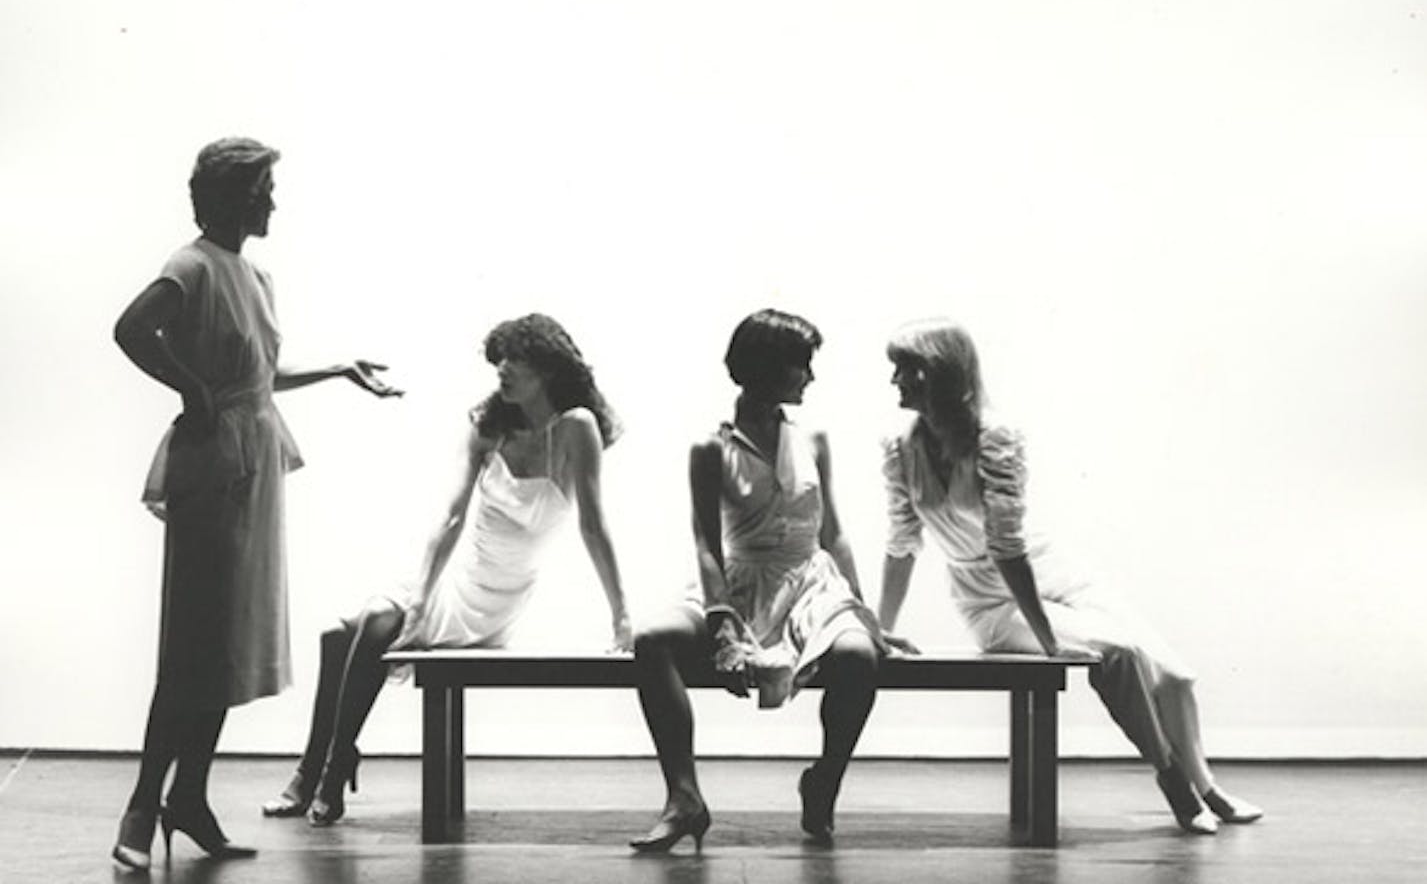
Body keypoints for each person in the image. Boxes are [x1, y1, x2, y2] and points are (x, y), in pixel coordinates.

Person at [111, 138, 401, 870]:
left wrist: (338, 368)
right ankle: (142, 806)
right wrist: (190, 387)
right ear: (235, 196)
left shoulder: (256, 275)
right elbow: (130, 329)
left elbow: (258, 377)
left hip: (254, 463)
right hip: (214, 466)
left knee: (225, 646)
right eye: (265, 189)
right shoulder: (192, 265)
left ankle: (189, 798)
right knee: (191, 644)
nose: (274, 201)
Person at [876, 318, 1264, 835]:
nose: (895, 380)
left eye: (907, 368)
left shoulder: (996, 436)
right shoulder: (900, 449)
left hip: (1047, 571)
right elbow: (902, 545)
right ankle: (1172, 779)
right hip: (988, 599)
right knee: (1119, 652)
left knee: (1175, 675)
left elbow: (1010, 547)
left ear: (941, 373)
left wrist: (1046, 636)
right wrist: (881, 629)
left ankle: (1209, 789)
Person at [262, 312, 634, 827]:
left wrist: (621, 615)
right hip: (459, 580)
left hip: (502, 598)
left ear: (548, 368)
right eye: (499, 358)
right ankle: (325, 766)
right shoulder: (489, 426)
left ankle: (323, 771)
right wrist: (420, 599)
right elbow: (452, 517)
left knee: (360, 628)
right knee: (345, 631)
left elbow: (593, 526)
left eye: (517, 359)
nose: (503, 368)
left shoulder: (577, 427)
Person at [630, 309, 889, 851]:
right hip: (741, 584)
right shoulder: (711, 448)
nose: (810, 377)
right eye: (801, 364)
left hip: (812, 585)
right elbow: (706, 543)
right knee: (652, 640)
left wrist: (864, 613)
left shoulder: (813, 440)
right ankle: (684, 798)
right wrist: (722, 622)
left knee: (858, 656)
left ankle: (825, 780)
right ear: (766, 367)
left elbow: (833, 533)